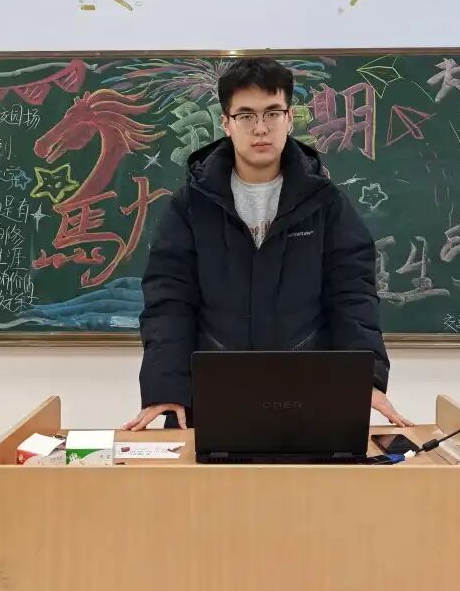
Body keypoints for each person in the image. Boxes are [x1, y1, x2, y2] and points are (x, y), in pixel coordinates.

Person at [123, 57, 410, 431]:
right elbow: (169, 301)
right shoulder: (191, 206)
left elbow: (352, 296)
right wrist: (166, 387)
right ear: (226, 123)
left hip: (309, 397)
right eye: (246, 115)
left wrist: (364, 380)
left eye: (272, 113)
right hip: (210, 399)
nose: (261, 128)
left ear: (289, 118)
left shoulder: (325, 204)